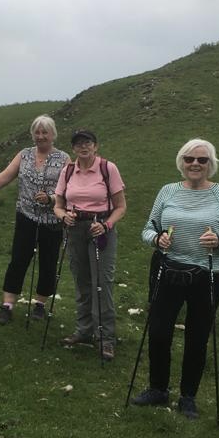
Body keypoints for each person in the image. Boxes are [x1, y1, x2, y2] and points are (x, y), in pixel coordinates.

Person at [131, 137, 219, 419]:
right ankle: (157, 388)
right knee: (158, 331)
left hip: (209, 273)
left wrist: (218, 241)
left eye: (202, 160)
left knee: (197, 335)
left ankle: (188, 397)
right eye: (190, 159)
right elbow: (147, 229)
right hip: (167, 268)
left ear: (210, 164)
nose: (195, 164)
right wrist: (157, 239)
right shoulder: (168, 191)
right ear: (181, 162)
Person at [0, 115, 69, 324]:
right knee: (18, 259)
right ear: (32, 134)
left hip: (53, 220)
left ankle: (40, 305)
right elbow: (6, 175)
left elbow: (70, 188)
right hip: (26, 215)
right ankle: (7, 305)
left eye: (45, 132)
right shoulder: (23, 155)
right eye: (37, 132)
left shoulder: (64, 159)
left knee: (48, 262)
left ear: (53, 135)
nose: (41, 136)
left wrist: (51, 199)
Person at [53, 129, 127, 361]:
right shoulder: (67, 171)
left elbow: (121, 206)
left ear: (96, 146)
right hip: (75, 229)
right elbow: (58, 204)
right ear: (73, 149)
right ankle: (83, 331)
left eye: (88, 143)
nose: (83, 147)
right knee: (81, 280)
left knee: (101, 282)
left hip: (100, 227)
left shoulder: (108, 168)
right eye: (78, 144)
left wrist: (107, 226)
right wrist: (62, 216)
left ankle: (106, 338)